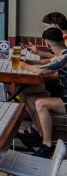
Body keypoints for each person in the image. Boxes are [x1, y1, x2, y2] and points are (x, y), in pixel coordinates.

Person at [17, 28, 67, 158]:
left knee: (41, 103)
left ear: (47, 43)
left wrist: (24, 66)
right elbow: (49, 62)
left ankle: (47, 145)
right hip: (62, 95)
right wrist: (31, 62)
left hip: (65, 99)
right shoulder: (62, 53)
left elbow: (43, 70)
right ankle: (40, 134)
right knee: (29, 97)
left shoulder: (65, 57)